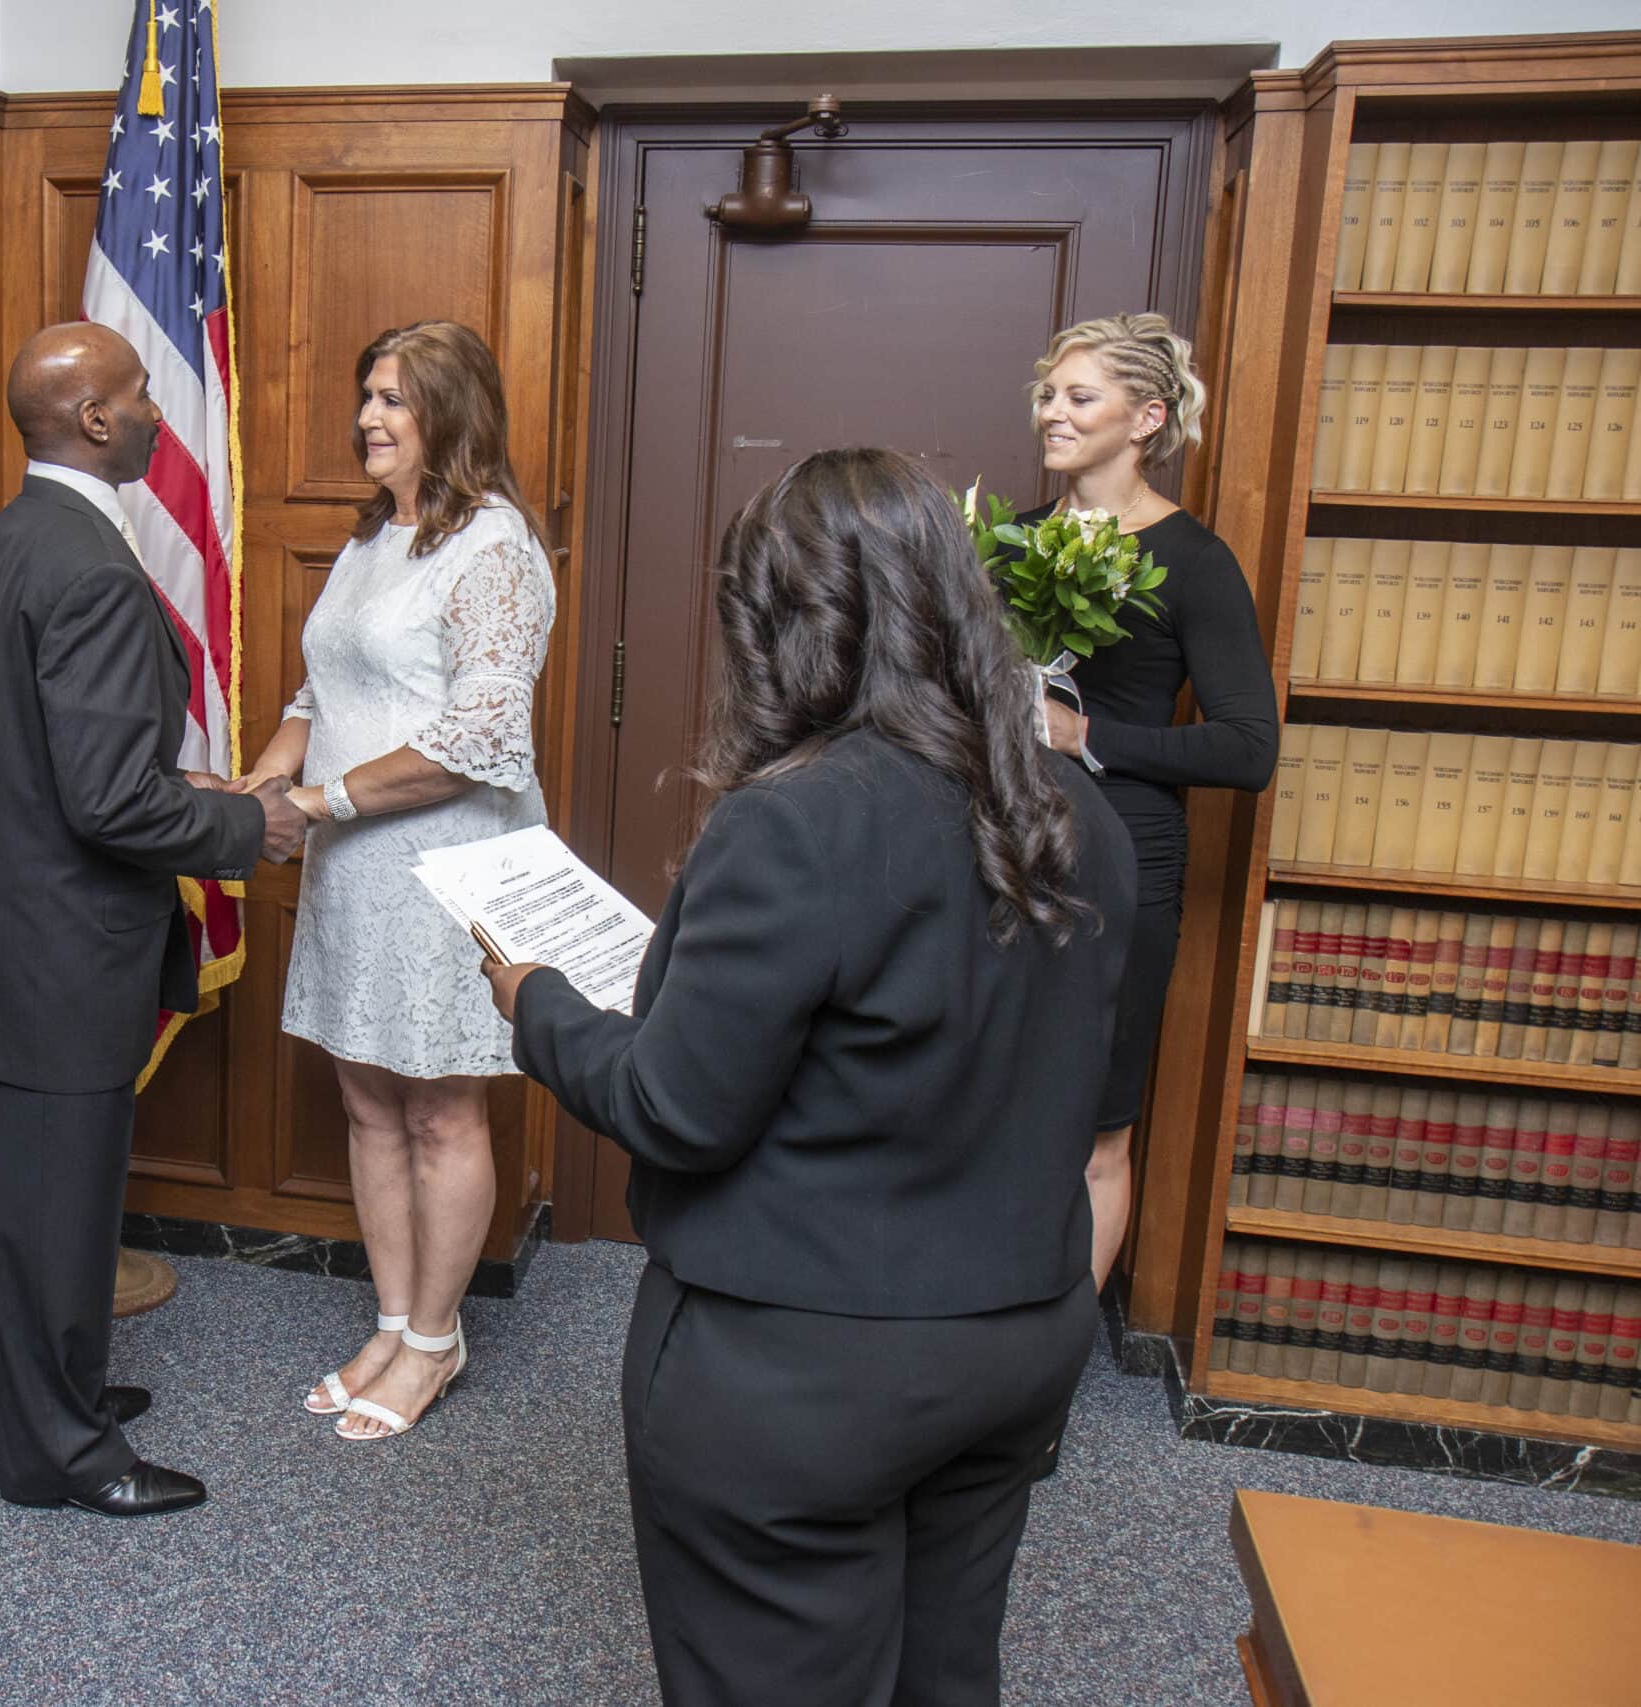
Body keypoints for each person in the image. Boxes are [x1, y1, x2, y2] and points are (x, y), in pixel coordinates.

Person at [486, 449, 1137, 1707]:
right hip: (1014, 1338)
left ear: (774, 627)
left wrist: (537, 1003)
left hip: (804, 1367)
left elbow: (673, 1109)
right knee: (942, 1674)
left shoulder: (794, 819)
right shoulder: (1076, 813)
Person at [0, 322, 305, 1517]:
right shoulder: (91, 565)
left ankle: (35, 1402)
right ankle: (62, 1456)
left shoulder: (21, 534)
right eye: (145, 392)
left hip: (13, 930)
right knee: (54, 1205)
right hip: (64, 951)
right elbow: (106, 802)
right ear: (96, 420)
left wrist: (188, 786)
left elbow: (59, 761)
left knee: (26, 1198)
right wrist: (249, 829)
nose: (160, 409)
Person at [231, 320, 555, 1442]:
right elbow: (322, 691)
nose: (369, 418)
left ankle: (434, 1342)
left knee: (438, 1106)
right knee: (367, 1098)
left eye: (394, 402)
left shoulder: (495, 549)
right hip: (352, 870)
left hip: (444, 866)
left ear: (450, 417)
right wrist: (260, 781)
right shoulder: (375, 538)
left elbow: (479, 736)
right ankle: (391, 1317)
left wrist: (313, 803)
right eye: (367, 396)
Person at [1027, 313, 1277, 1290]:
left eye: (1078, 396)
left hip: (1122, 863)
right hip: (1009, 851)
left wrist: (1090, 739)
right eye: (1046, 394)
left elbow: (1248, 749)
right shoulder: (1017, 537)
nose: (1052, 412)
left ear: (1146, 417)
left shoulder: (1194, 559)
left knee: (1097, 1126)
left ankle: (1047, 1373)